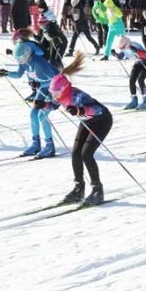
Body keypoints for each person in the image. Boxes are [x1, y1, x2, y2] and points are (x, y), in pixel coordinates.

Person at [48, 52, 110, 206]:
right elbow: (55, 104)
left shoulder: (76, 96)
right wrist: (44, 105)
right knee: (75, 153)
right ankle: (78, 188)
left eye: (56, 93)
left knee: (86, 154)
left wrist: (80, 111)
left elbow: (98, 110)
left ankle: (97, 190)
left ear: (64, 89)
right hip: (87, 121)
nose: (55, 96)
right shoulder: (61, 96)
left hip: (101, 121)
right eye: (52, 93)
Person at [0, 33, 59, 158]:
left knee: (42, 115)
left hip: (55, 91)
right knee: (33, 113)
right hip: (43, 89)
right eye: (18, 59)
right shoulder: (24, 62)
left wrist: (38, 83)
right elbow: (18, 74)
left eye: (21, 58)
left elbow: (55, 80)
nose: (20, 61)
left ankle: (50, 147)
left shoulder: (39, 62)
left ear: (27, 53)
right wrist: (7, 73)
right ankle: (36, 144)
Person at [113, 35, 146, 110]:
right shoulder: (124, 48)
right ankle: (134, 100)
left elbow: (145, 55)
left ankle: (145, 100)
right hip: (138, 62)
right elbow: (122, 56)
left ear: (126, 43)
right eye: (120, 48)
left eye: (122, 47)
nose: (121, 49)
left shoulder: (135, 44)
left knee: (140, 80)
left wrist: (137, 51)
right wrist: (116, 55)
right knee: (132, 80)